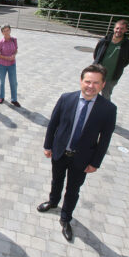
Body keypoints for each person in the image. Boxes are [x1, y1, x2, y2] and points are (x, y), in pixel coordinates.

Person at [37, 64, 116, 241]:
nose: (90, 86)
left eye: (96, 83)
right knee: (56, 180)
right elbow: (53, 124)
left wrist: (95, 163)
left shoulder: (108, 109)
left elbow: (105, 139)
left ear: (103, 85)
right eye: (87, 81)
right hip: (60, 151)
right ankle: (53, 201)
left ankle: (65, 218)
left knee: (73, 189)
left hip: (82, 158)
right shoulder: (66, 99)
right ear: (81, 81)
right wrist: (48, 145)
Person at [93, 19, 129, 101]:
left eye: (122, 29)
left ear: (126, 30)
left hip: (112, 76)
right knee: (92, 93)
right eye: (117, 28)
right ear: (114, 29)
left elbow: (128, 60)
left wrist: (119, 66)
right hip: (97, 74)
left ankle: (105, 112)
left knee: (106, 96)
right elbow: (96, 55)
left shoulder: (128, 45)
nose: (119, 30)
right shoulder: (104, 41)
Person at [0, 24, 20, 107]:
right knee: (2, 82)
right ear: (2, 32)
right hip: (2, 65)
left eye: (7, 30)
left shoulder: (14, 40)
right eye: (4, 31)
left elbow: (16, 50)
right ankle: (1, 97)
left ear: (10, 30)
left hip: (12, 64)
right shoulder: (0, 42)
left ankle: (14, 99)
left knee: (14, 82)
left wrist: (14, 55)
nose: (6, 32)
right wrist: (6, 57)